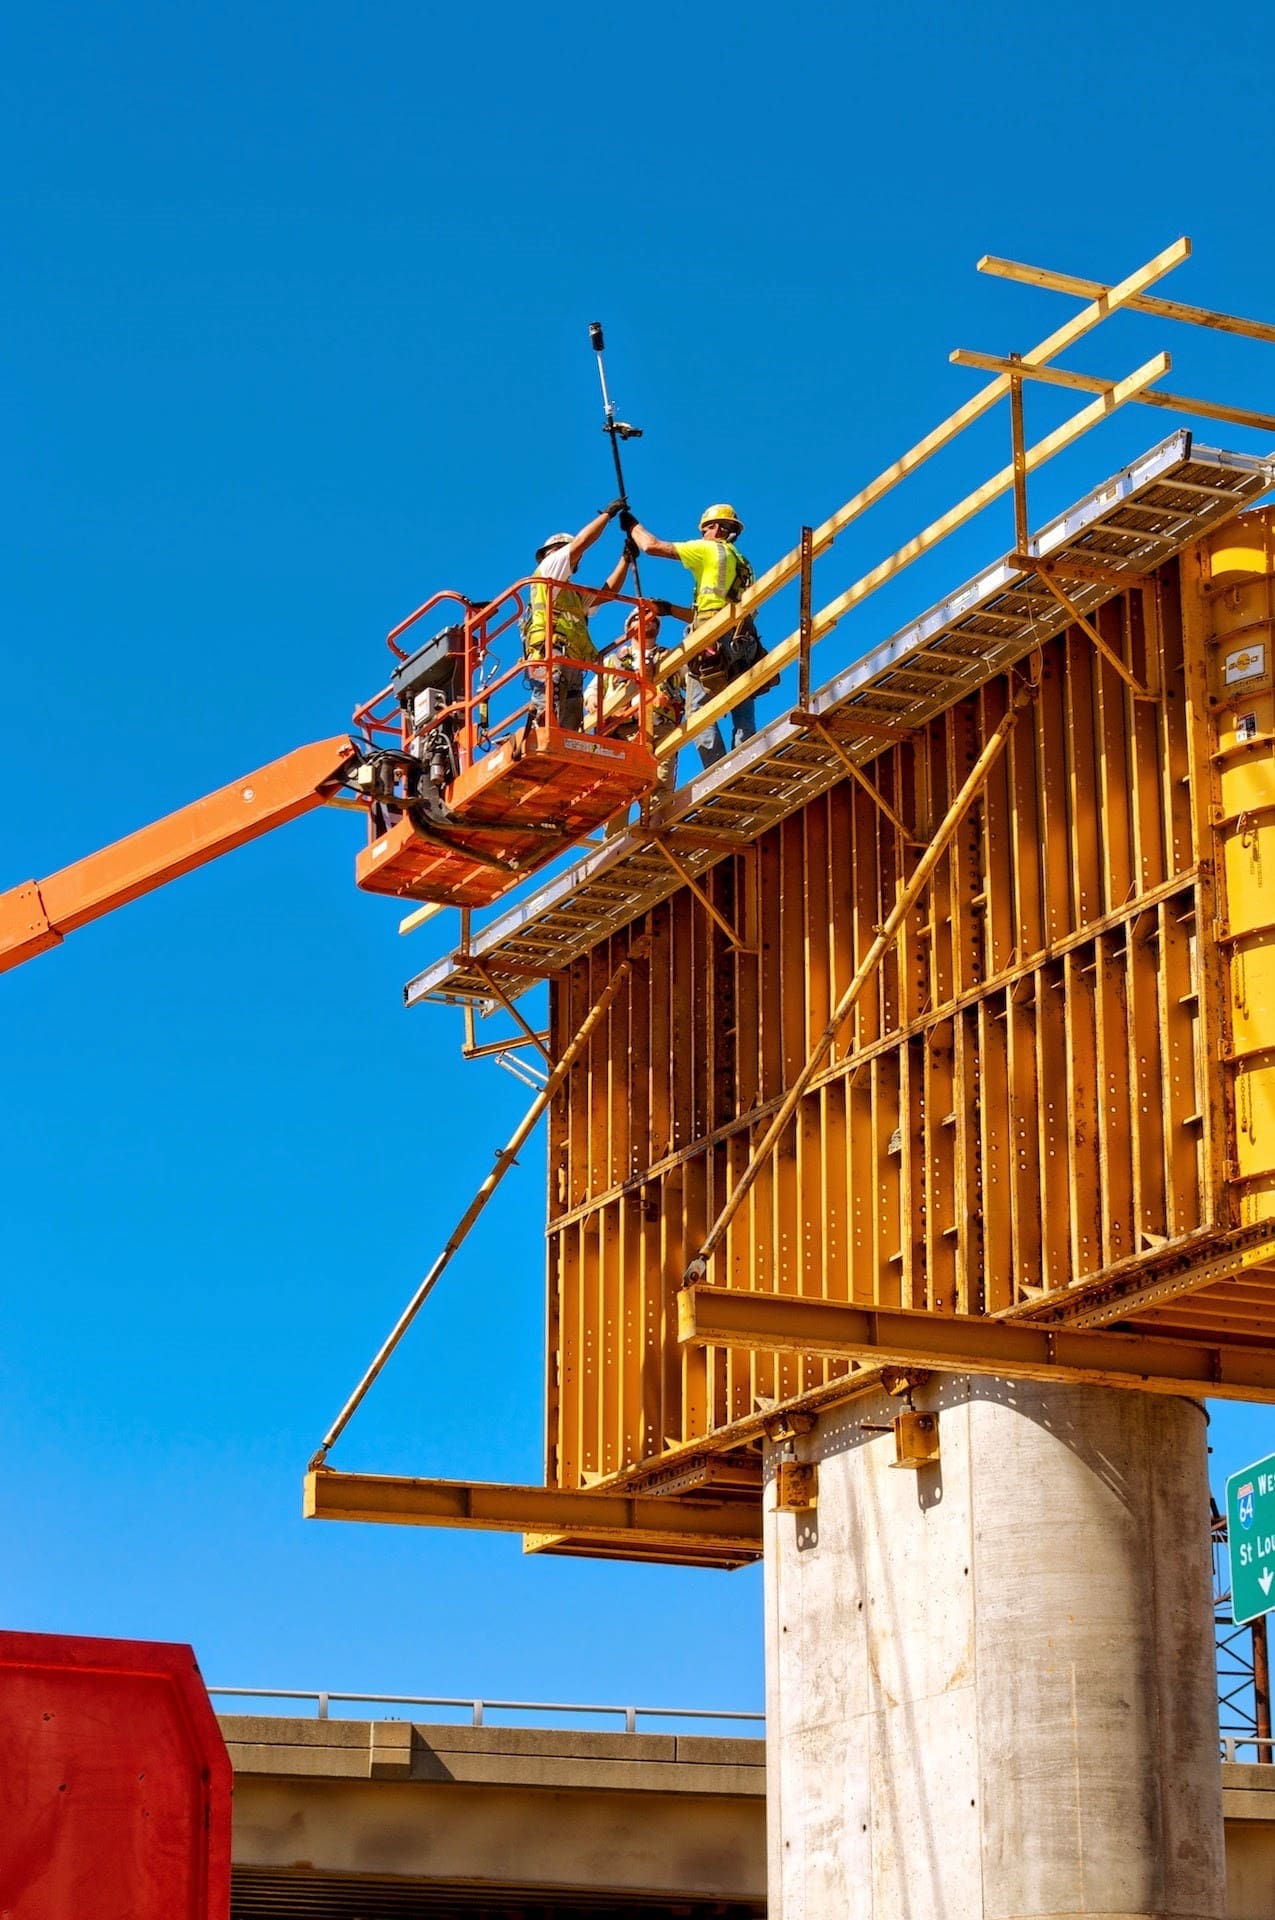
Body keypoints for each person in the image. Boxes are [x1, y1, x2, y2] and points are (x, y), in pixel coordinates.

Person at [620, 502, 758, 768]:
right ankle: (746, 760)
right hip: (743, 638)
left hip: (711, 635)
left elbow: (652, 546)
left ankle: (718, 769)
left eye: (705, 529)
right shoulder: (743, 563)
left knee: (697, 709)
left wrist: (631, 525)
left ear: (714, 527)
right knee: (742, 700)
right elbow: (720, 606)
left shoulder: (708, 548)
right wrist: (670, 609)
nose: (703, 534)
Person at [524, 502, 630, 731]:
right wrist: (607, 515)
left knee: (567, 732)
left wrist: (625, 559)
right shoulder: (548, 570)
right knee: (547, 721)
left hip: (571, 663)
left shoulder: (570, 593)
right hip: (551, 655)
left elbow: (608, 594)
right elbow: (581, 543)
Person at [586, 606, 683, 836]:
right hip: (623, 732)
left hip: (661, 728)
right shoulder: (614, 660)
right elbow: (592, 691)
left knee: (661, 785)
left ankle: (655, 836)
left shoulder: (670, 656)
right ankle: (614, 843)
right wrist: (592, 701)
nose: (647, 620)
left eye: (652, 618)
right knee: (620, 789)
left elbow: (689, 681)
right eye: (640, 617)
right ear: (628, 627)